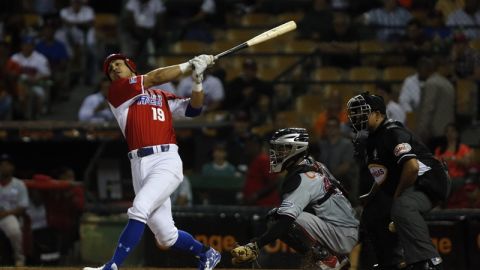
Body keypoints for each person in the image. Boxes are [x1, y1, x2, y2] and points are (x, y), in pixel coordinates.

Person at [83, 53, 220, 270]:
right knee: (166, 237)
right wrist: (189, 65)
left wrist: (197, 80)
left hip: (165, 160)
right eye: (111, 69)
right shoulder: (118, 92)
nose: (115, 69)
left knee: (139, 208)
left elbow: (194, 109)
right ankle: (207, 253)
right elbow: (155, 77)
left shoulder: (162, 96)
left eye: (119, 64)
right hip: (138, 165)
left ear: (131, 67)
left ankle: (112, 266)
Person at [346, 92, 451, 269]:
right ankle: (390, 262)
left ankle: (428, 261)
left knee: (402, 205)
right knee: (371, 212)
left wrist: (395, 196)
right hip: (411, 182)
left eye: (362, 112)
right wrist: (370, 196)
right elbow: (383, 178)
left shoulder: (392, 132)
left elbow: (412, 168)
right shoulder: (372, 141)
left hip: (431, 180)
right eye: (354, 113)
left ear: (378, 114)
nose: (357, 117)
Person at [231, 128, 359, 270]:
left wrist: (255, 246)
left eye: (281, 149)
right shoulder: (314, 164)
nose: (275, 153)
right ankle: (336, 258)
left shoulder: (303, 178)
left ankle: (327, 260)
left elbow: (285, 221)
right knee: (287, 214)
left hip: (341, 234)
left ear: (296, 149)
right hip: (348, 228)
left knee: (276, 217)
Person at [0, 153, 29, 267]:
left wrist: (6, 213)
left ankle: (19, 259)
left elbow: (23, 207)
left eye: (7, 165)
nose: (4, 167)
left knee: (14, 230)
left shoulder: (19, 184)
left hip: (9, 216)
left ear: (12, 167)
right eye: (1, 165)